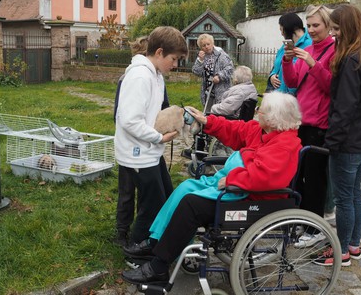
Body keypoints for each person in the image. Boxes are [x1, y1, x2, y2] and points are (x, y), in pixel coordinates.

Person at [121, 92, 303, 285]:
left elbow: (265, 177)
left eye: (262, 110)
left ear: (274, 118)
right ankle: (155, 241)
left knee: (191, 205)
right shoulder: (263, 131)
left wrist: (232, 178)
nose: (257, 112)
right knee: (186, 187)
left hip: (250, 198)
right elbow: (236, 129)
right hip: (236, 187)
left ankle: (158, 267)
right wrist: (207, 121)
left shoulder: (285, 145)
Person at [314, 4, 361, 267]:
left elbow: (345, 107)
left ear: (348, 28)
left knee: (344, 198)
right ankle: (353, 245)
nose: (333, 34)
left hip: (347, 142)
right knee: (354, 194)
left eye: (335, 28)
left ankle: (341, 251)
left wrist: (331, 142)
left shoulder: (351, 60)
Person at [114, 26, 188, 246]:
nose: (175, 65)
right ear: (159, 52)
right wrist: (159, 138)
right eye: (173, 59)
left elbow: (151, 112)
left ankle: (154, 243)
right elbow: (129, 120)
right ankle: (136, 251)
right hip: (138, 153)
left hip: (149, 152)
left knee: (164, 196)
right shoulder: (140, 76)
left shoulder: (156, 75)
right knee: (152, 206)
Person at [282, 4, 335, 247]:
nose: (312, 30)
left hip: (319, 124)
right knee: (298, 175)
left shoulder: (334, 51)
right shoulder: (308, 48)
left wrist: (314, 64)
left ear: (328, 25)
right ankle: (303, 220)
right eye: (309, 25)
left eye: (316, 25)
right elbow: (293, 81)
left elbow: (331, 87)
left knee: (315, 179)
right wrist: (286, 61)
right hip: (301, 121)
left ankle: (316, 228)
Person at [267, 12, 312, 94]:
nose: (281, 33)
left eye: (282, 30)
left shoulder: (310, 45)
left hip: (294, 97)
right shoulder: (285, 46)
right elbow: (276, 65)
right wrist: (272, 76)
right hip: (278, 94)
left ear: (289, 28)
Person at [192, 33, 234, 113]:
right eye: (203, 45)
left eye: (208, 44)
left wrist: (219, 76)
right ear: (201, 47)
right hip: (208, 91)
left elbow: (230, 69)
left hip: (222, 91)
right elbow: (196, 72)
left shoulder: (221, 55)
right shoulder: (202, 57)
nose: (206, 47)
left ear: (212, 43)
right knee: (208, 115)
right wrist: (200, 61)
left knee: (220, 115)